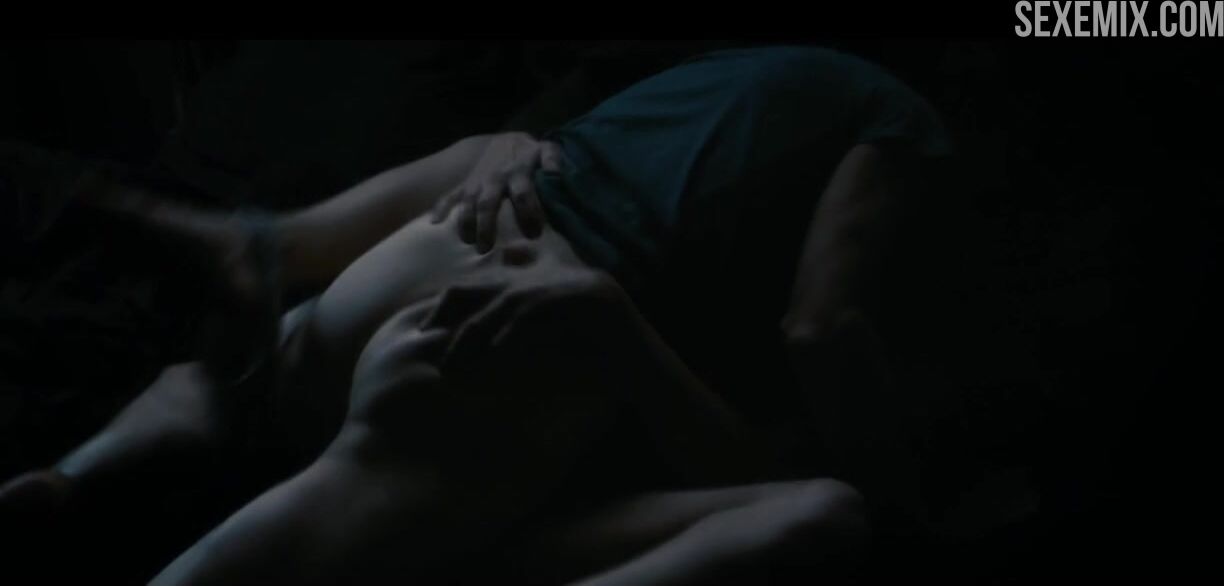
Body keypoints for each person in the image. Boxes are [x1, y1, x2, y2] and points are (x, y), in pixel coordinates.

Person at [0, 45, 951, 584]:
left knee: (251, 384)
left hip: (431, 244)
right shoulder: (893, 116)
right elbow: (823, 331)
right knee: (310, 519)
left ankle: (83, 470)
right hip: (524, 313)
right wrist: (907, 510)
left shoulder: (740, 69)